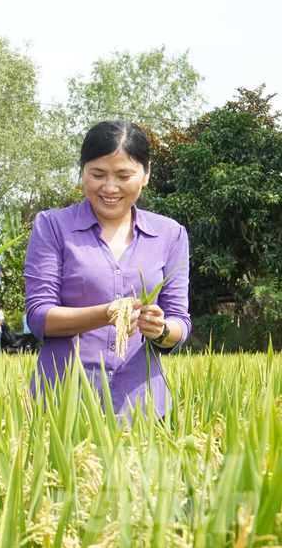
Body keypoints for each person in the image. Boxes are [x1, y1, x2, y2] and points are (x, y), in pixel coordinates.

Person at [24, 120, 190, 418]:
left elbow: (179, 322)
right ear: (82, 170)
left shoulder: (171, 234)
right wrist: (106, 315)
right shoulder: (52, 225)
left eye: (124, 175)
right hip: (64, 403)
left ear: (146, 174)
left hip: (142, 406)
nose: (110, 187)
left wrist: (160, 330)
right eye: (97, 174)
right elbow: (39, 317)